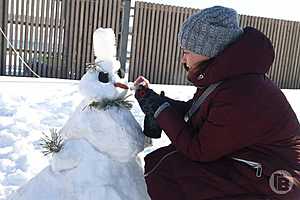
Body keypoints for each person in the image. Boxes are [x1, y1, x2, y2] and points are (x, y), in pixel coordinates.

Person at [134, 6, 300, 200]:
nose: (183, 58)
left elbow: (199, 149)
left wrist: (161, 110)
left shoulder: (243, 92)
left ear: (210, 51)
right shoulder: (229, 78)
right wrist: (154, 100)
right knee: (163, 162)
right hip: (251, 163)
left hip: (274, 181)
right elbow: (196, 113)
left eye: (187, 51)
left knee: (170, 176)